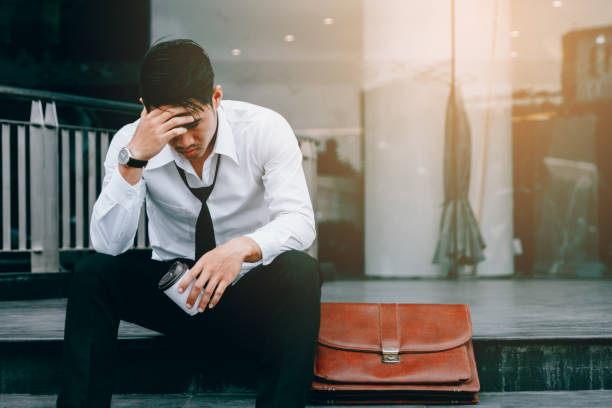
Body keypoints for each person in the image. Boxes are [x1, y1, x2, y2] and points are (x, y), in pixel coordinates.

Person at [56, 39, 321, 408]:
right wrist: (133, 161)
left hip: (246, 296)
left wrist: (240, 249)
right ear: (145, 111)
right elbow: (108, 245)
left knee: (301, 271)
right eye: (170, 127)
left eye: (192, 123)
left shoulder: (264, 129)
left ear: (216, 97)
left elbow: (299, 221)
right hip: (174, 296)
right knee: (92, 273)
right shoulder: (129, 144)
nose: (183, 140)